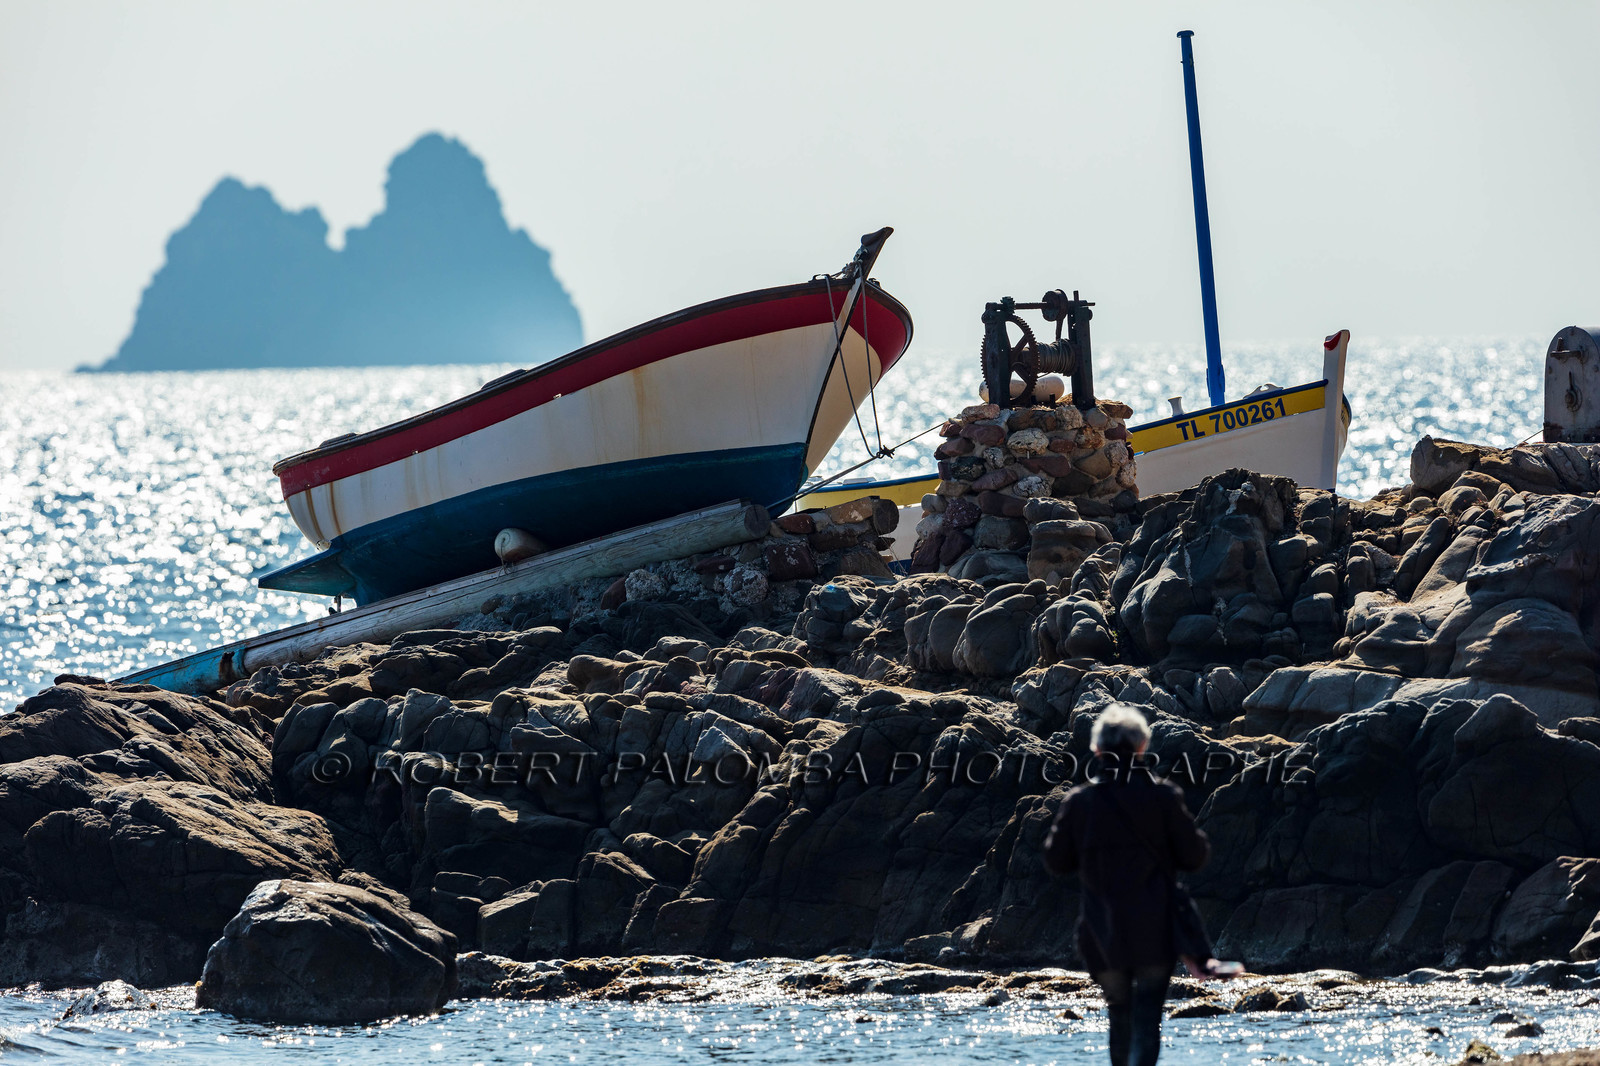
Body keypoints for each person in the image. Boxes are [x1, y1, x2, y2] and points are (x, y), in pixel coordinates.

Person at [1043, 703, 1211, 1066]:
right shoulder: (1164, 797)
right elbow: (1195, 857)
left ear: (1097, 750)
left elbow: (1056, 861)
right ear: (1142, 747)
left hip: (1103, 932)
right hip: (1155, 929)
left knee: (1119, 1016)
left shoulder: (1080, 802)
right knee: (1148, 1019)